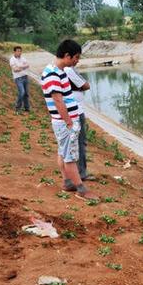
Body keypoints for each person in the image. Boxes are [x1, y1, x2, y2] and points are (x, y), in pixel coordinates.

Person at [40, 39, 97, 201]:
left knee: (63, 152)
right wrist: (69, 122)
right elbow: (58, 100)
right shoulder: (52, 74)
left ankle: (67, 182)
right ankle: (81, 188)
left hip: (65, 121)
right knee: (70, 156)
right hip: (65, 122)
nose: (77, 61)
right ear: (67, 55)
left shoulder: (59, 71)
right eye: (76, 57)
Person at [64, 64, 95, 181]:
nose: (77, 61)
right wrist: (79, 87)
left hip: (73, 110)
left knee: (72, 142)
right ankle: (81, 172)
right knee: (80, 142)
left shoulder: (62, 69)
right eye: (76, 57)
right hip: (76, 111)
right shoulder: (68, 70)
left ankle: (73, 173)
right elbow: (86, 85)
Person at [9, 46, 30, 113]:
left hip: (25, 77)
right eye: (18, 51)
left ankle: (27, 108)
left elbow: (27, 65)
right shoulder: (12, 59)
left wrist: (19, 67)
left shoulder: (23, 58)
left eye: (20, 51)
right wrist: (23, 67)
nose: (19, 52)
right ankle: (18, 108)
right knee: (22, 92)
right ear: (14, 52)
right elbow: (15, 70)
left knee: (26, 93)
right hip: (18, 78)